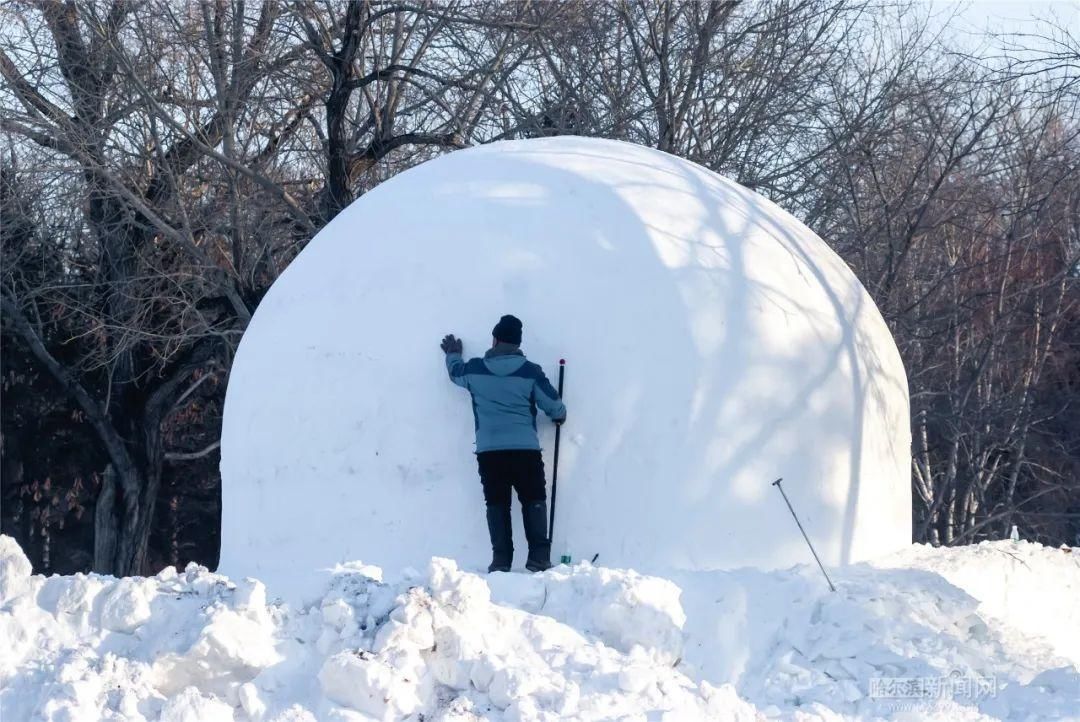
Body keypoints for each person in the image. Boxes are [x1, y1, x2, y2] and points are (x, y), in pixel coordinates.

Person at [440, 315, 566, 572]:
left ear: (495, 339)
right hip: (525, 451)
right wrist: (559, 415)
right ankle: (539, 557)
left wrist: (453, 354)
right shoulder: (530, 372)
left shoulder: (475, 369)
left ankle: (501, 560)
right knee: (533, 499)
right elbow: (554, 405)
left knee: (497, 503)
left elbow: (455, 374)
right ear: (518, 343)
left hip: (489, 452)